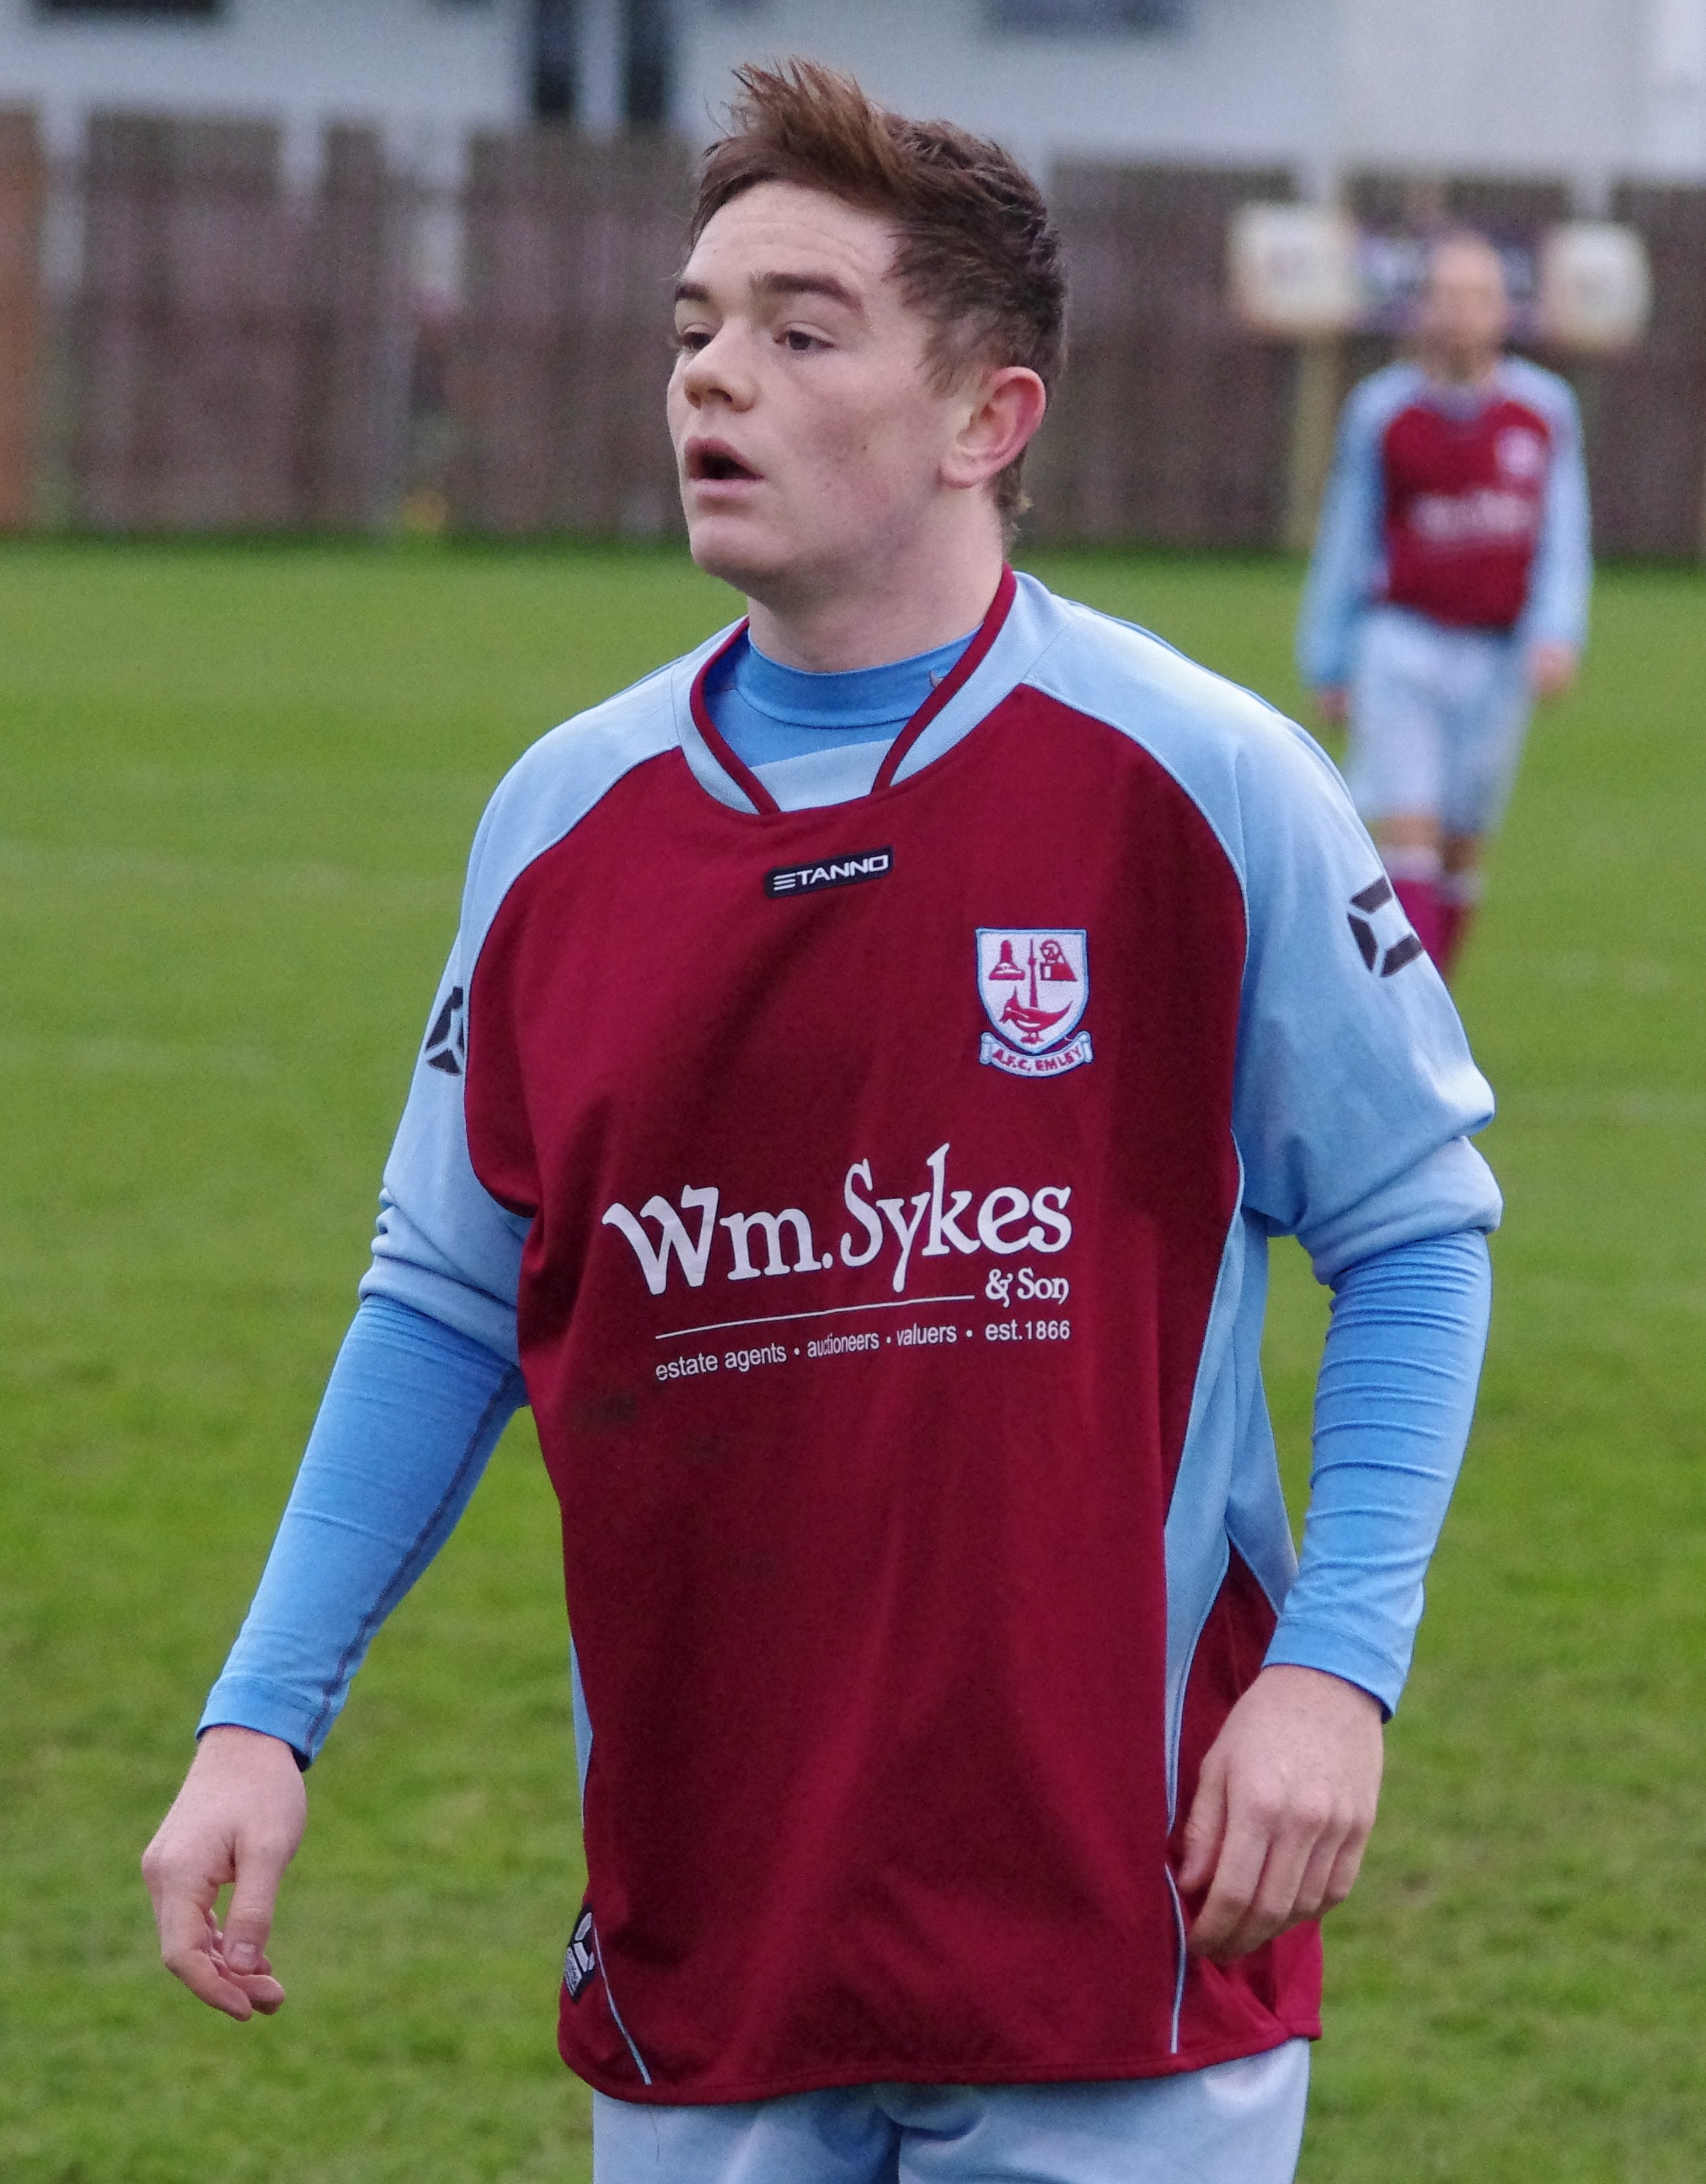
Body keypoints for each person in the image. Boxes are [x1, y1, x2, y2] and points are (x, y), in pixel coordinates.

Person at [143, 62, 1500, 2184]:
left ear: (986, 420)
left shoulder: (1197, 781)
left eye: (799, 328)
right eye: (692, 327)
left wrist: (1333, 1673)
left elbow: (1415, 1225)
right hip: (715, 1942)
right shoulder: (560, 826)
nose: (715, 377)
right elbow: (444, 1297)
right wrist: (261, 1708)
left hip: (1115, 1929)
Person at [1297, 228, 1592, 982]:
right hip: (1401, 644)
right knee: (1409, 836)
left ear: (1504, 311)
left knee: (1462, 845)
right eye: (1448, 296)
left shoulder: (1543, 411)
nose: (1463, 312)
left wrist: (1558, 630)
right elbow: (1348, 534)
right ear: (1422, 310)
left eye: (1479, 297)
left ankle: (1429, 1010)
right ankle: (1408, 1028)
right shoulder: (1383, 412)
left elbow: (1562, 532)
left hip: (1496, 657)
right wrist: (1330, 657)